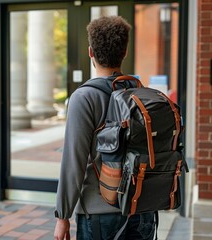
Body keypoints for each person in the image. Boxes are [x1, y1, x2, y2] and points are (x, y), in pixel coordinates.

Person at [54, 16, 155, 240]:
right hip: (142, 210)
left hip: (100, 214)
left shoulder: (84, 97)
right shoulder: (141, 94)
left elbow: (74, 160)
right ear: (125, 51)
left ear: (91, 52)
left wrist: (63, 217)